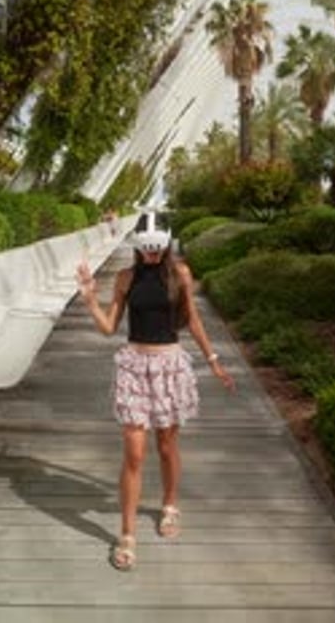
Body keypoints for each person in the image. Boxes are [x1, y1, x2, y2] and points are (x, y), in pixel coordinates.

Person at [76, 210, 235, 572]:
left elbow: (192, 320)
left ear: (165, 246)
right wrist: (90, 299)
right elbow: (109, 327)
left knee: (165, 445)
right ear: (137, 247)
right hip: (134, 366)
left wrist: (213, 360)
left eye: (156, 249)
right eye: (146, 249)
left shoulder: (181, 274)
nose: (151, 255)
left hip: (169, 367)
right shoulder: (125, 277)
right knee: (134, 453)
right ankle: (127, 535)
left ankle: (170, 505)